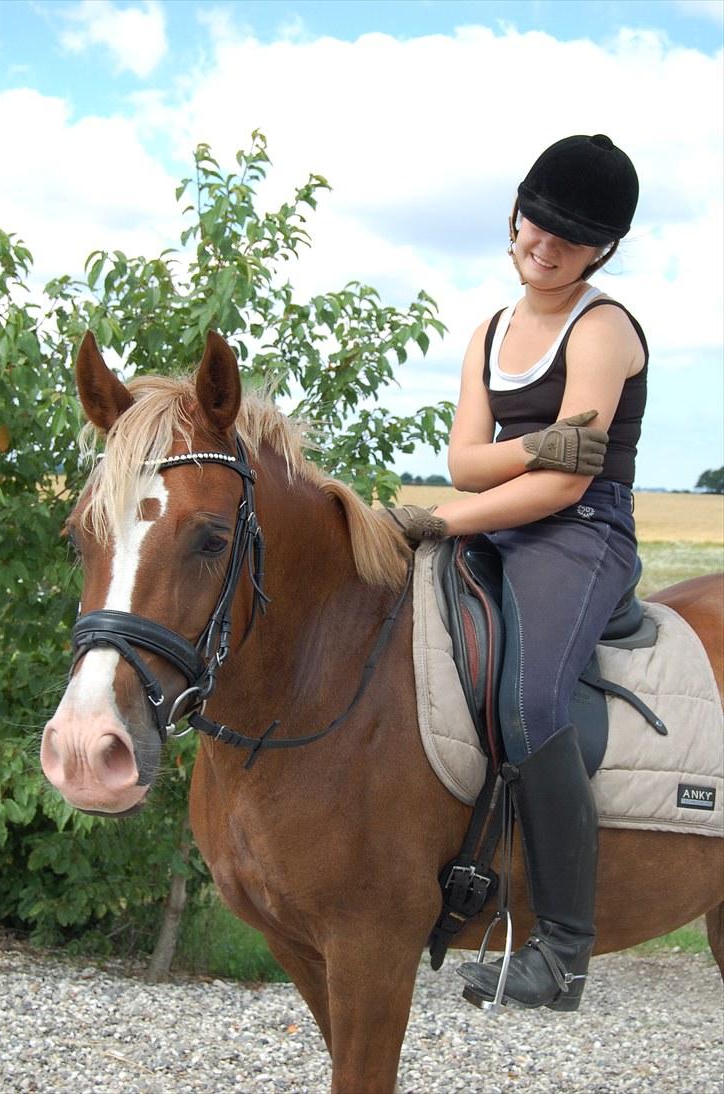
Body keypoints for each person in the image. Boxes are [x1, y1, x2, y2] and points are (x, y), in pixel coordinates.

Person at [387, 134, 647, 1011]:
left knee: (530, 699)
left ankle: (564, 950)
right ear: (515, 215)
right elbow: (464, 461)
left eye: (574, 237)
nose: (548, 243)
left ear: (603, 249)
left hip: (582, 532)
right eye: (539, 222)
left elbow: (567, 484)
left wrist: (438, 519)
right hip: (501, 517)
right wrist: (536, 446)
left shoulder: (603, 329)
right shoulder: (489, 333)